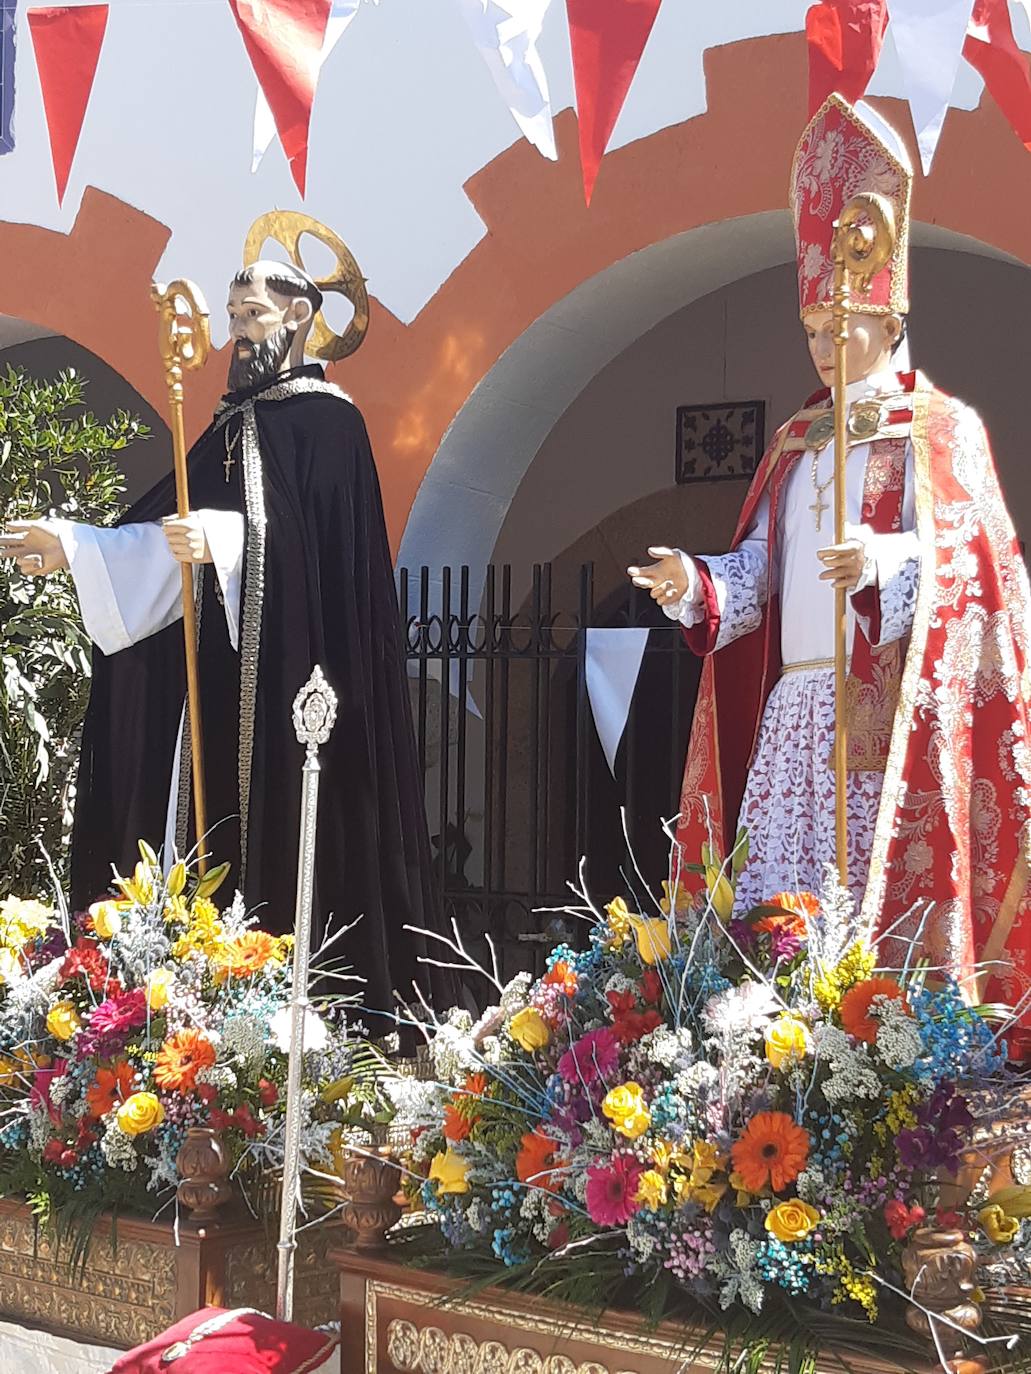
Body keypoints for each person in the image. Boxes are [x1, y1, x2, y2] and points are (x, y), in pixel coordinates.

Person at [628, 95, 1031, 1004]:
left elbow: (976, 567)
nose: (821, 345)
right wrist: (696, 582)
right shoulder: (795, 440)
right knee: (774, 920)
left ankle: (872, 1054)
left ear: (887, 321)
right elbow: (761, 574)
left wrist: (882, 566)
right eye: (809, 330)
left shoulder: (939, 430)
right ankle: (769, 1051)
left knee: (865, 924)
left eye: (837, 327)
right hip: (794, 711)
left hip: (883, 720)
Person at [0, 258, 451, 1022]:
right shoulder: (231, 425)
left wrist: (226, 540)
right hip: (213, 687)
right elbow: (163, 536)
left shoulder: (331, 426)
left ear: (300, 317)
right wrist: (75, 546)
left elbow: (324, 569)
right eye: (234, 316)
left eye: (253, 316)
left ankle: (303, 1016)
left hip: (297, 694)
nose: (237, 333)